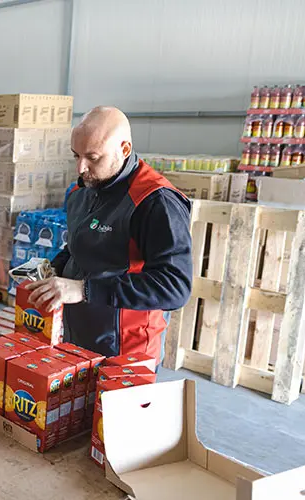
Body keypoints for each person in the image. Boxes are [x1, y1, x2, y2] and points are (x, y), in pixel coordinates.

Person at [26, 107, 192, 361]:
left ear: (124, 149)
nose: (81, 168)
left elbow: (174, 286)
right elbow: (79, 247)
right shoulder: (81, 192)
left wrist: (85, 290)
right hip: (77, 336)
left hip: (125, 350)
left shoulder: (155, 201)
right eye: (76, 156)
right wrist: (53, 269)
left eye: (93, 157)